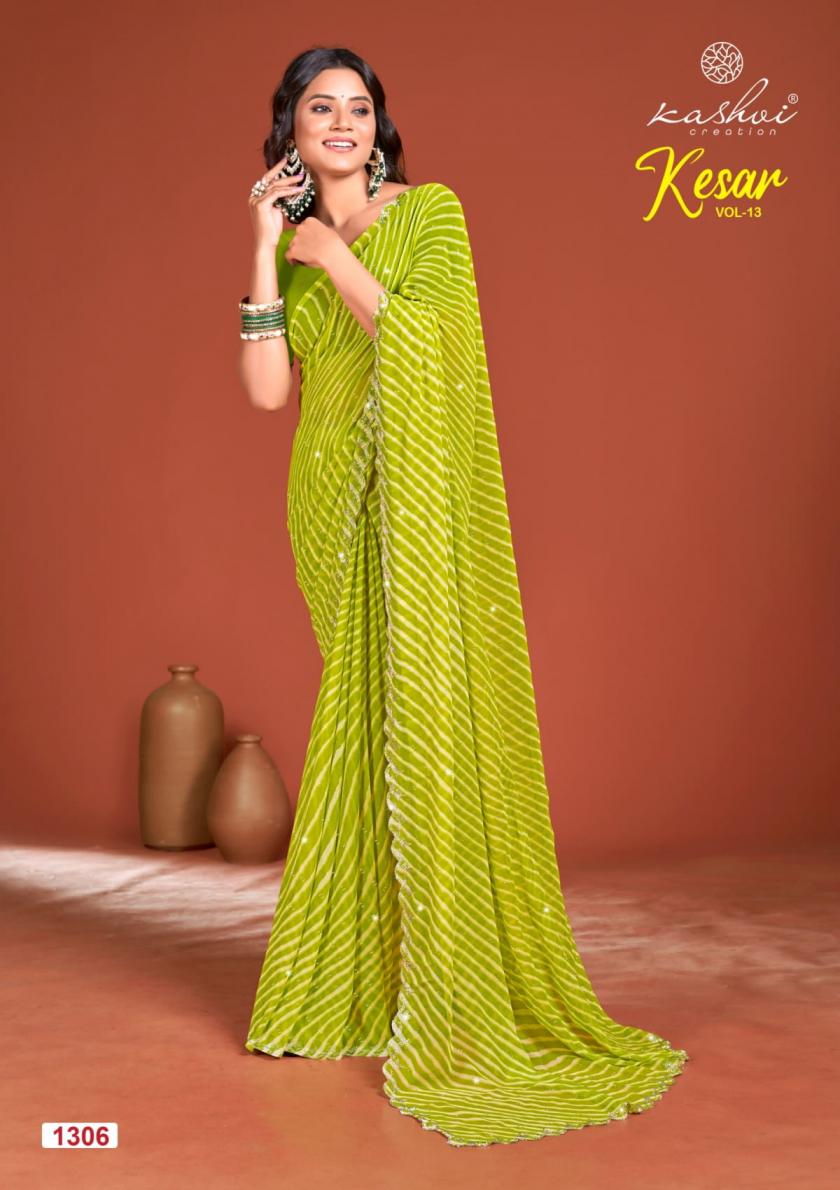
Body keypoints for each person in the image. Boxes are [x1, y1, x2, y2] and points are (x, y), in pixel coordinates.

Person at [239, 46, 689, 1148]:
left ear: (378, 127)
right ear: (290, 132)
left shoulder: (429, 213)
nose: (341, 123)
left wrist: (333, 257)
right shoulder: (289, 246)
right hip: (327, 502)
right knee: (361, 723)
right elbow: (267, 393)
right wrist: (266, 247)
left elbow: (435, 344)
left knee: (418, 725)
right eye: (319, 108)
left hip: (415, 502)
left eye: (358, 108)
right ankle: (355, 985)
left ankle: (441, 986)